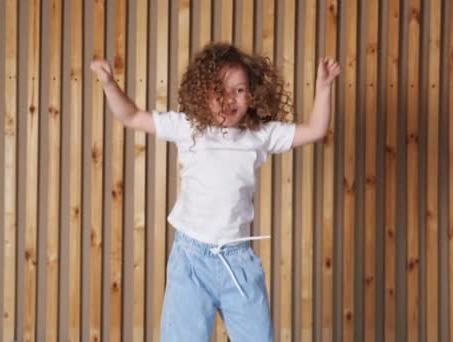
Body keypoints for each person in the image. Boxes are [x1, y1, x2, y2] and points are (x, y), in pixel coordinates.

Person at [90, 43, 341, 341]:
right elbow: (131, 116)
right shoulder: (188, 128)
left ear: (253, 94)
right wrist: (109, 84)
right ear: (201, 92)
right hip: (191, 260)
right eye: (219, 89)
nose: (229, 99)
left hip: (238, 262)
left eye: (239, 90)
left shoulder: (259, 135)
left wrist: (323, 88)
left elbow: (315, 130)